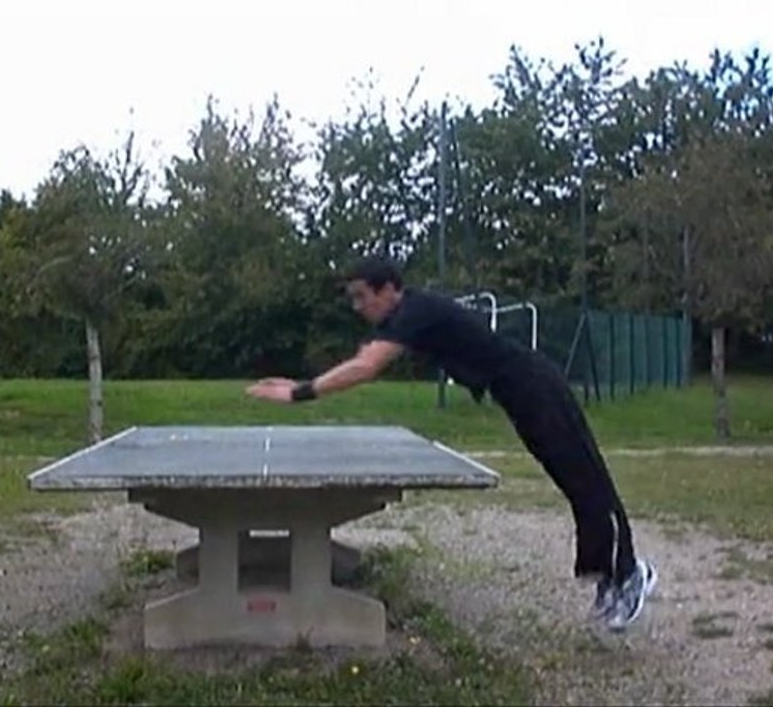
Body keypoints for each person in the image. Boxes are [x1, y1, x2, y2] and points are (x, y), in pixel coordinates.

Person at [245, 256, 657, 631]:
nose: (358, 307)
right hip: (516, 394)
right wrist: (299, 383)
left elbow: (367, 366)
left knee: (585, 477)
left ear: (388, 289)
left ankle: (631, 572)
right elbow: (365, 355)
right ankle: (609, 576)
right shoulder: (404, 317)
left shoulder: (414, 311)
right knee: (571, 483)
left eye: (361, 296)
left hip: (534, 385)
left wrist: (299, 393)